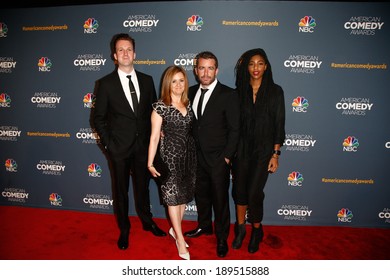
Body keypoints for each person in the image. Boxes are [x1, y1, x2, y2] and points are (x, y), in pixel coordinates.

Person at [92, 33, 166, 251]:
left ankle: (147, 221)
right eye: (121, 50)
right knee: (121, 191)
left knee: (143, 188)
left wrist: (157, 134)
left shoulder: (147, 80)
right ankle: (124, 228)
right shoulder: (105, 84)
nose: (125, 53)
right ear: (115, 55)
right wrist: (109, 145)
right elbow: (98, 118)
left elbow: (154, 111)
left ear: (135, 53)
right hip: (119, 149)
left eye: (129, 49)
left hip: (143, 147)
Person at [184, 51, 240, 258]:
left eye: (210, 68)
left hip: (218, 159)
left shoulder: (228, 94)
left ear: (216, 70)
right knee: (201, 196)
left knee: (220, 201)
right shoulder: (188, 93)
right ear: (196, 70)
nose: (205, 72)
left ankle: (222, 237)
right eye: (201, 68)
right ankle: (204, 226)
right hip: (196, 158)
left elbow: (235, 129)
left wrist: (226, 157)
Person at [231, 48, 285, 253]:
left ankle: (256, 230)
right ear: (246, 67)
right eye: (252, 63)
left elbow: (279, 124)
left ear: (266, 66)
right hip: (241, 151)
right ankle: (240, 229)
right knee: (239, 192)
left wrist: (276, 154)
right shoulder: (239, 92)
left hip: (264, 152)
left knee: (254, 193)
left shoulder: (275, 91)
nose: (256, 68)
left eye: (260, 63)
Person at [147, 65, 196, 260]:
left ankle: (175, 231)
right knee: (173, 198)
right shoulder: (160, 106)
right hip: (169, 158)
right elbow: (153, 138)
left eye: (181, 80)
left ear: (185, 83)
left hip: (189, 157)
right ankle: (179, 238)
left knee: (182, 197)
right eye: (174, 81)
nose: (178, 84)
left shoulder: (188, 103)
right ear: (168, 83)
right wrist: (150, 163)